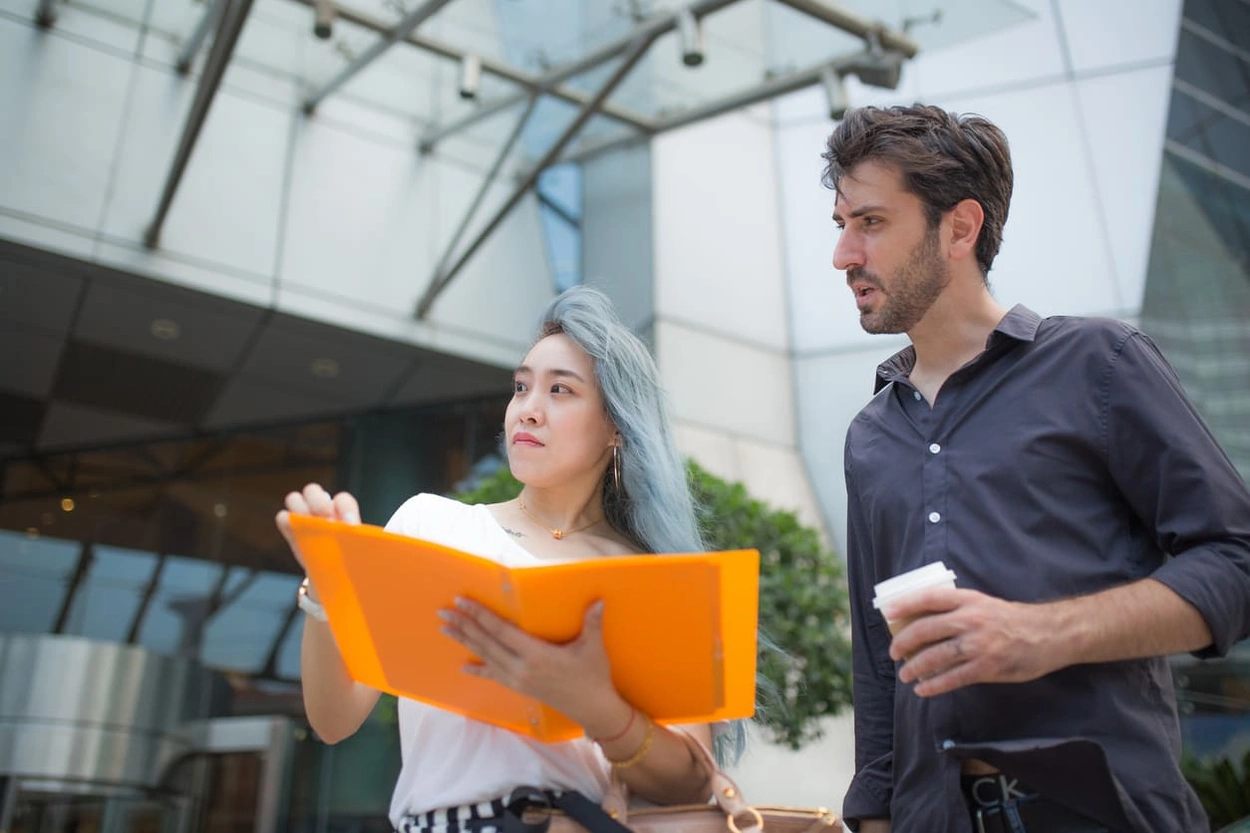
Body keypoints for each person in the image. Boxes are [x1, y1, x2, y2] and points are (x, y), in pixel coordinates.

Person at [824, 104, 1250, 833]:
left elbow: (1236, 558)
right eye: (840, 224)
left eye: (870, 222)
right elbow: (877, 664)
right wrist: (873, 819)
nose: (843, 254)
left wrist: (1044, 633)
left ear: (959, 227)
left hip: (1102, 812)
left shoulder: (1099, 365)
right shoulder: (870, 437)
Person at [277, 286, 729, 832]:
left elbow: (690, 782)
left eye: (560, 390)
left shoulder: (650, 576)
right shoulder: (431, 525)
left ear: (615, 427)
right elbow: (333, 719)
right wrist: (328, 584)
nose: (528, 411)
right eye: (521, 387)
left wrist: (595, 705)